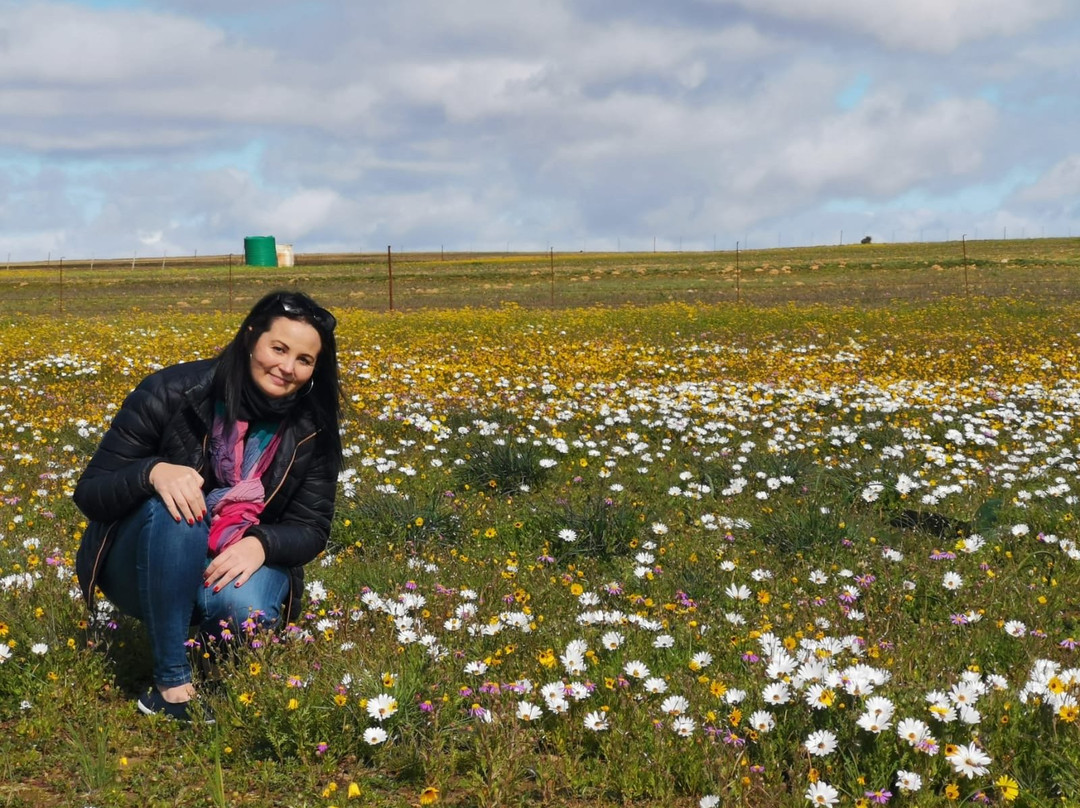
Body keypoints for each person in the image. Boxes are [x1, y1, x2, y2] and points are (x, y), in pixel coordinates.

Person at [74, 290, 342, 721]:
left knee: (243, 609)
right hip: (145, 565)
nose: (287, 368)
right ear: (251, 337)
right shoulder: (171, 391)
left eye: (304, 360)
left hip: (232, 561)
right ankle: (171, 685)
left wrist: (261, 543)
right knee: (180, 506)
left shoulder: (313, 428)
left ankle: (215, 662)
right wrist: (153, 472)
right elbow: (91, 492)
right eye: (278, 348)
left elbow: (311, 528)